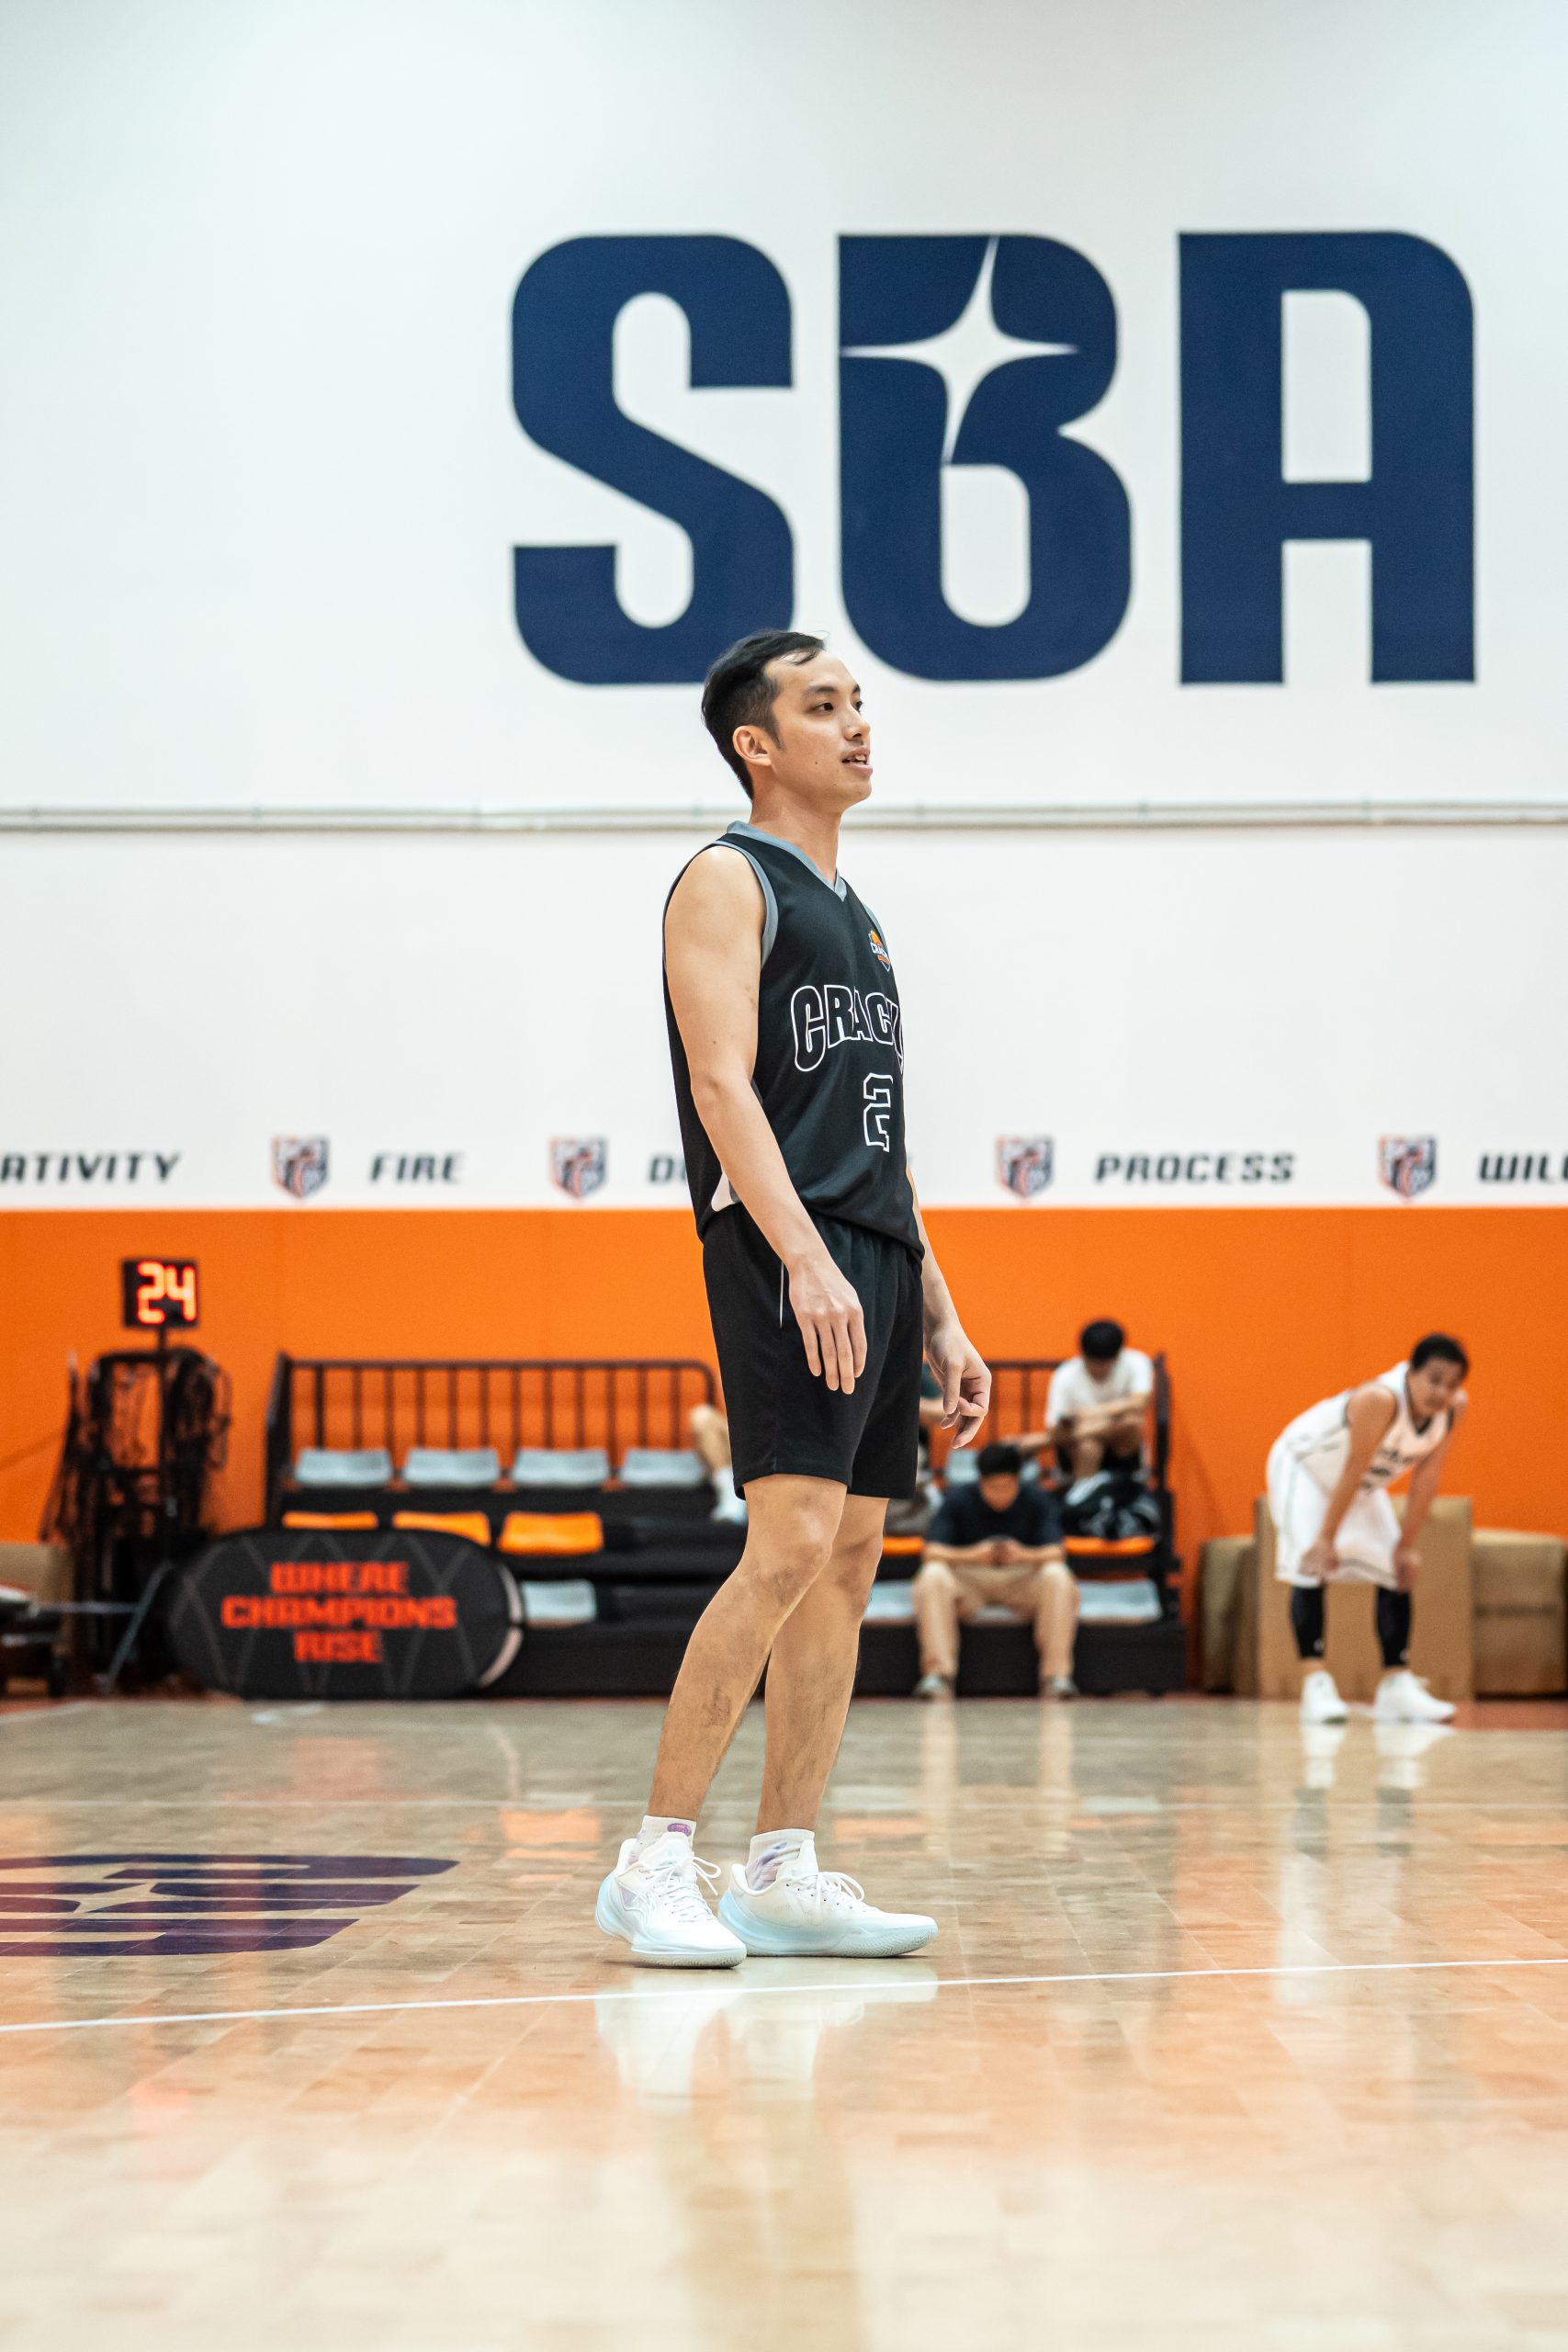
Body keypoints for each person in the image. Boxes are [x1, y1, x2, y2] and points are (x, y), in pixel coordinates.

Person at [595, 629, 990, 1969]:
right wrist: (805, 1255)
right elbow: (722, 1086)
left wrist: (937, 1305)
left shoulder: (859, 917)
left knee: (851, 1559)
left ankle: (780, 1867)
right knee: (787, 1542)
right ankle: (654, 1859)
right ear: (755, 744)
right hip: (784, 1249)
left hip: (872, 1252)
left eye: (860, 702)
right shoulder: (726, 880)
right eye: (824, 706)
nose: (858, 725)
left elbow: (879, 1133)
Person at [1268, 1335, 1470, 1726]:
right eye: (1434, 1380)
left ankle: (1396, 1686)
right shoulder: (1379, 1399)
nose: (1442, 1392)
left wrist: (1406, 1545)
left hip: (1360, 1484)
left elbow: (1427, 1478)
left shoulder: (1454, 1409)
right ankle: (1316, 1684)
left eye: (1452, 1384)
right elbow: (1354, 1466)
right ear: (1411, 1372)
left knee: (1395, 1570)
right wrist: (1325, 1538)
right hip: (1306, 1468)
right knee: (1311, 1564)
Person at [911, 1442, 1077, 1701]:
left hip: (1022, 1578)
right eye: (993, 1487)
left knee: (1058, 1576)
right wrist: (974, 1555)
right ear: (981, 1481)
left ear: (1018, 1480)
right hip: (971, 1579)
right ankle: (938, 1676)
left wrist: (1023, 1555)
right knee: (932, 1576)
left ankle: (1056, 1677)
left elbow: (1057, 1551)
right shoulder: (958, 1499)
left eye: (1007, 1487)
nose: (1000, 1494)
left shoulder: (1037, 1499)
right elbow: (931, 1551)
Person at [1017, 1319, 1154, 1482]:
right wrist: (1109, 1418)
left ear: (1117, 1357)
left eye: (1103, 1364)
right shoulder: (1065, 1375)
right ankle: (1085, 1494)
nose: (1097, 1369)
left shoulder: (1136, 1362)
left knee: (1131, 1423)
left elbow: (1139, 1402)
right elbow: (1055, 1429)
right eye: (1092, 1362)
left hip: (1123, 1449)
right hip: (1079, 1451)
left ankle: (1044, 1442)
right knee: (1090, 1445)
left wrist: (1085, 1416)